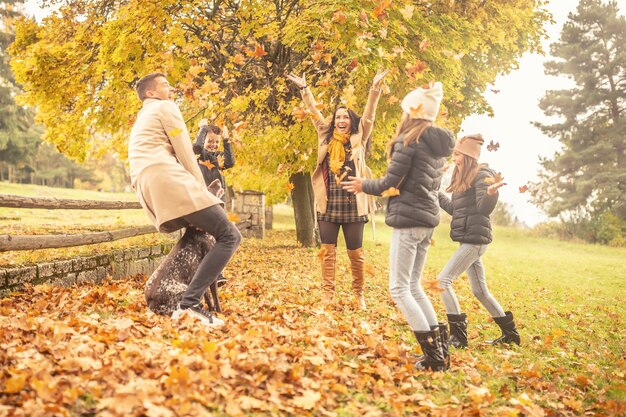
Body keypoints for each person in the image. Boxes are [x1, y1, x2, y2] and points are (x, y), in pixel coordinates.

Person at [342, 82, 455, 371]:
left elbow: (390, 182)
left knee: (399, 288)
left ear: (410, 113)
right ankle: (440, 353)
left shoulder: (410, 142)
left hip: (410, 220)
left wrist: (362, 185)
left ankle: (433, 358)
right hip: (426, 220)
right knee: (414, 285)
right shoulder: (435, 145)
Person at [128, 72, 242, 327]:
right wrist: (202, 193)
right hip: (166, 177)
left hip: (148, 185)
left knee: (204, 229)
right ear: (151, 93)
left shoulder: (143, 117)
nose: (171, 89)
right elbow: (185, 152)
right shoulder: (165, 107)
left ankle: (189, 300)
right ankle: (190, 304)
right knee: (230, 235)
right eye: (165, 85)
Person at [286, 69, 388, 310]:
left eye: (345, 117)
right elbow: (313, 114)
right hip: (329, 203)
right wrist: (304, 90)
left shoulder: (359, 137)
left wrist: (375, 88)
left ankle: (358, 294)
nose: (341, 120)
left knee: (356, 253)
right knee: (327, 252)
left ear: (351, 121)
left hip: (354, 203)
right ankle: (328, 295)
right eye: (338, 117)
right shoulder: (325, 135)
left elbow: (370, 115)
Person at [436, 134, 521, 347]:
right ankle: (510, 335)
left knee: (443, 281)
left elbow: (483, 208)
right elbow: (456, 210)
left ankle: (458, 336)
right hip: (469, 238)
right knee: (480, 291)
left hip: (474, 241)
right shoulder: (463, 176)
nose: (453, 158)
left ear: (467, 155)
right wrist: (435, 194)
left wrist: (491, 194)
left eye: (456, 154)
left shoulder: (482, 174)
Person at [193, 120, 236, 287]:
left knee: (219, 237)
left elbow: (231, 162)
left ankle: (216, 274)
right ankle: (210, 273)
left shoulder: (218, 158)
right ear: (204, 139)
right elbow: (196, 147)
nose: (213, 144)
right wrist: (202, 128)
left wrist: (226, 140)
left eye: (216, 142)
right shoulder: (200, 154)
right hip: (203, 201)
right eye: (210, 141)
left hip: (218, 201)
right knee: (205, 237)